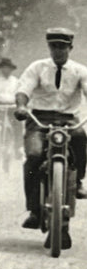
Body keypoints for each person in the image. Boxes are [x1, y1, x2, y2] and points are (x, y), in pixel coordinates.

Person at [15, 28, 87, 249]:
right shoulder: (37, 67)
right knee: (34, 156)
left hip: (67, 121)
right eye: (54, 46)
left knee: (81, 138)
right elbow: (23, 89)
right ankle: (35, 211)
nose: (58, 50)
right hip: (39, 119)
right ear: (49, 47)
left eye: (62, 46)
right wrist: (20, 105)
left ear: (70, 48)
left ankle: (80, 181)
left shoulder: (80, 71)